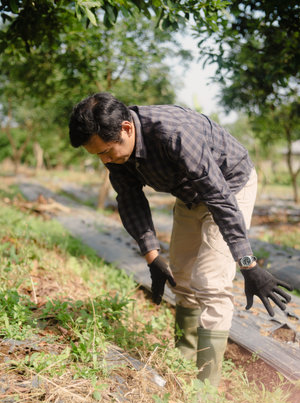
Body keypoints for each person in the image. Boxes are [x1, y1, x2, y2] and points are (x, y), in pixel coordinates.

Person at [69, 92, 292, 387]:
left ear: (126, 128)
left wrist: (248, 264)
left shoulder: (174, 132)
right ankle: (182, 360)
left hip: (229, 186)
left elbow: (220, 197)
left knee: (210, 282)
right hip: (188, 195)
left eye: (107, 151)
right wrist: (152, 256)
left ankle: (205, 386)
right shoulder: (114, 150)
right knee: (182, 277)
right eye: (98, 155)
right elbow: (130, 198)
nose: (106, 160)